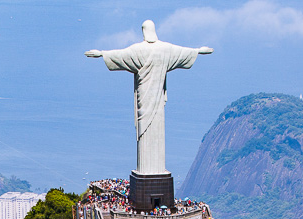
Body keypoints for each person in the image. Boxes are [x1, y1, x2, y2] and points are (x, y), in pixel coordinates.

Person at [85, 20, 212, 175]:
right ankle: (153, 170)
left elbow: (120, 55)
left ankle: (147, 170)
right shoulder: (165, 49)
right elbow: (182, 52)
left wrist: (102, 53)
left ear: (143, 31)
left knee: (146, 131)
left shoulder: (138, 50)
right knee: (154, 131)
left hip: (144, 99)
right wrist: (198, 51)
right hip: (157, 100)